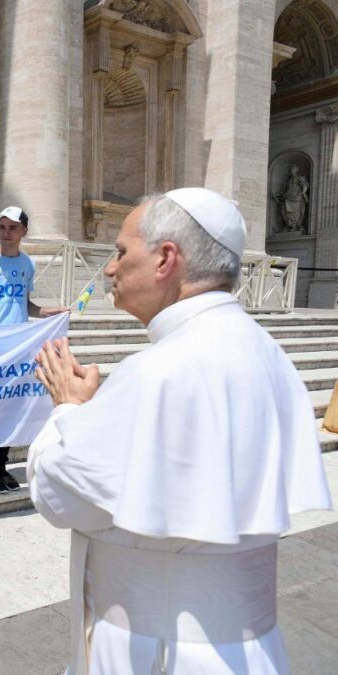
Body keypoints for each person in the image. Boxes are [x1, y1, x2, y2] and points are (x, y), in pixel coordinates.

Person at [29, 188, 333, 674]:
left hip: (157, 650)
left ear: (166, 258)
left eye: (121, 251)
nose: (110, 268)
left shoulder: (160, 371)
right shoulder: (268, 353)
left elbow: (61, 498)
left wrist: (69, 409)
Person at [0, 206, 66, 493]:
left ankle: (1, 465)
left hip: (18, 345)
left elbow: (24, 302)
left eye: (12, 228)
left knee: (10, 406)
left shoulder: (27, 264)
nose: (6, 233)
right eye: (2, 227)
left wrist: (45, 312)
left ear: (24, 231)